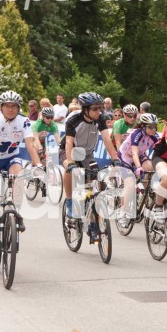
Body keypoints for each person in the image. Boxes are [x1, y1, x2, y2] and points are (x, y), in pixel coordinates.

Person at [0, 91, 43, 265]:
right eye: (7, 105)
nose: (11, 109)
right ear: (1, 106)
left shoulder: (24, 121)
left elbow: (30, 145)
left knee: (18, 175)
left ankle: (16, 212)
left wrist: (38, 165)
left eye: (14, 106)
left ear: (18, 108)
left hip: (11, 158)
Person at [60, 92, 120, 240]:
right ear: (85, 109)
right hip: (70, 151)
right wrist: (71, 162)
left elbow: (106, 139)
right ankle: (69, 201)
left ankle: (92, 222)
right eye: (95, 108)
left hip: (87, 155)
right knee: (69, 167)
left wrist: (115, 158)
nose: (98, 111)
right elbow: (68, 143)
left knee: (92, 188)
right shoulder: (73, 120)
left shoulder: (100, 119)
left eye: (100, 108)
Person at [118, 112, 161, 226]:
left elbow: (163, 150)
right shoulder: (136, 134)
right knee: (130, 186)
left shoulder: (154, 136)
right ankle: (123, 213)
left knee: (152, 166)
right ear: (143, 126)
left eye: (155, 126)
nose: (153, 129)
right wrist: (138, 167)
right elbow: (134, 153)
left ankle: (147, 191)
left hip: (141, 155)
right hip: (126, 157)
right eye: (150, 127)